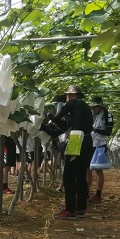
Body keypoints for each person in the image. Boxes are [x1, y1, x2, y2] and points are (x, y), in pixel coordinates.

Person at [41, 85, 93, 220]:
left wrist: (47, 115)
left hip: (76, 139)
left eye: (67, 96)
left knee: (68, 175)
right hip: (87, 140)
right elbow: (63, 127)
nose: (66, 99)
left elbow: (58, 118)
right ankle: (80, 207)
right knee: (80, 174)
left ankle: (70, 210)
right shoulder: (83, 109)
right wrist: (43, 127)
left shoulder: (73, 103)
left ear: (72, 96)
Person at [87, 96, 114, 203]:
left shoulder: (107, 116)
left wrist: (95, 129)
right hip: (90, 145)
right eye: (92, 107)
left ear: (100, 106)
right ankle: (86, 192)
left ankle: (98, 195)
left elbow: (108, 132)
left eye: (95, 107)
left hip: (100, 145)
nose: (93, 109)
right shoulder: (91, 116)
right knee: (87, 169)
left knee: (98, 170)